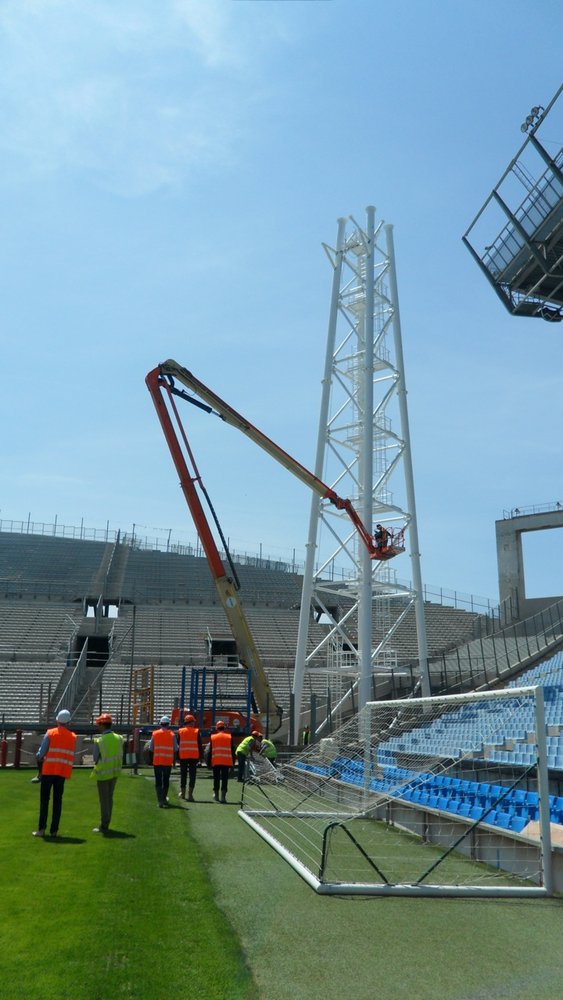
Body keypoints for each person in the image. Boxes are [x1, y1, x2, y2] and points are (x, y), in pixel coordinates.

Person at [32, 708, 77, 838]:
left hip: (48, 771)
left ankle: (41, 830)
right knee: (58, 801)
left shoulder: (50, 733)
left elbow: (41, 753)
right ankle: (54, 831)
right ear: (68, 722)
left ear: (57, 720)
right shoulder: (72, 737)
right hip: (62, 772)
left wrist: (38, 757)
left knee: (44, 801)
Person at [91, 712, 125, 833]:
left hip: (103, 773)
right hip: (115, 771)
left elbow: (95, 758)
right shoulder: (119, 738)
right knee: (110, 798)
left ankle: (104, 825)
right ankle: (107, 821)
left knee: (104, 799)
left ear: (102, 725)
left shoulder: (99, 740)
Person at [148, 716, 177, 808]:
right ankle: (164, 799)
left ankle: (160, 801)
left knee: (158, 781)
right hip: (167, 762)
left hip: (157, 761)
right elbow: (176, 748)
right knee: (166, 781)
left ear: (160, 724)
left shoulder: (155, 734)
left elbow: (151, 748)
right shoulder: (172, 735)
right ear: (168, 724)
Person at [177, 712, 202, 801]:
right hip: (193, 756)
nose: (194, 723)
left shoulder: (180, 731)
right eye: (193, 722)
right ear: (191, 722)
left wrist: (177, 757)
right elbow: (199, 745)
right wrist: (200, 757)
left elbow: (178, 744)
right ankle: (190, 795)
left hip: (183, 756)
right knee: (192, 776)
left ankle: (183, 794)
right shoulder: (196, 731)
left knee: (183, 775)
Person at [209, 721, 235, 803]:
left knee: (216, 779)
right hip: (226, 761)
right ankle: (223, 797)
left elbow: (209, 751)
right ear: (224, 728)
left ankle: (216, 796)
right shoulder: (229, 737)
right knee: (224, 779)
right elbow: (232, 751)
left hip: (216, 761)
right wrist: (233, 763)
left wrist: (209, 762)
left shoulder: (213, 737)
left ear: (217, 728)